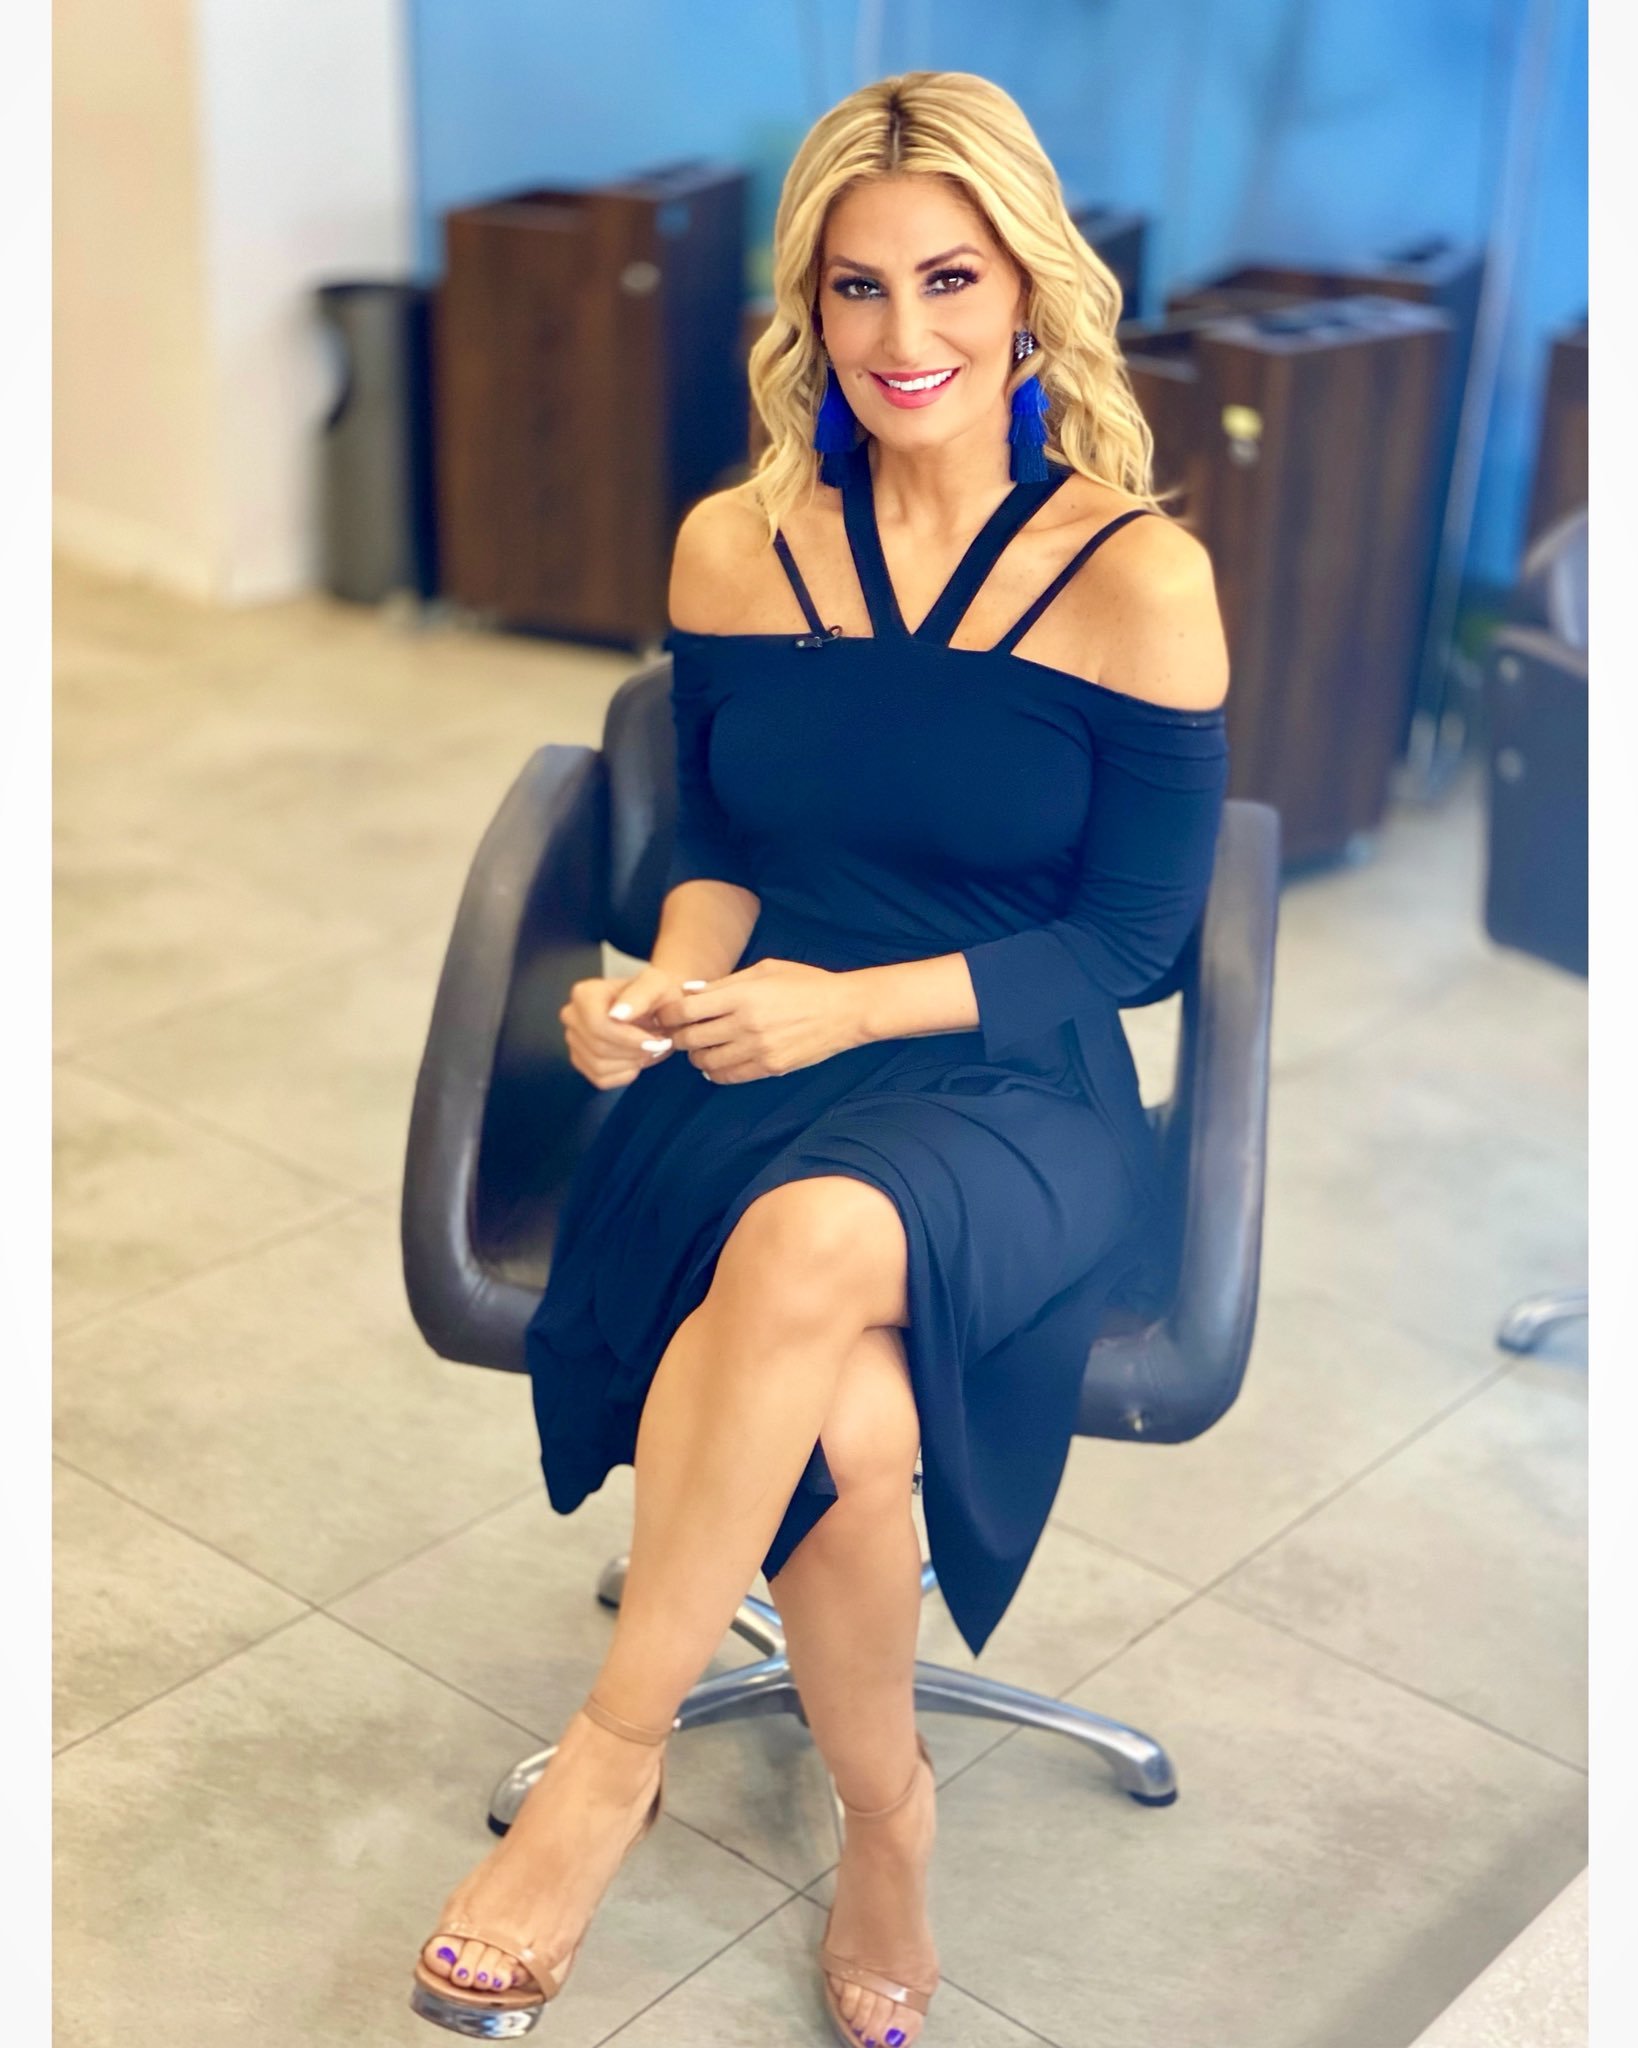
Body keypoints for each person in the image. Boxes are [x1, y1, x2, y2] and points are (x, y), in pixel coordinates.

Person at [411, 68, 1230, 2045]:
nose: (902, 334)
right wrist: (661, 991)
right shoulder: (738, 545)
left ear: (1028, 291)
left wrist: (845, 1005)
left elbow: (1125, 946)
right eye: (856, 288)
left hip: (1006, 1084)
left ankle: (609, 1762)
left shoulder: (1139, 580)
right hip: (756, 1063)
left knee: (805, 1251)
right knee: (852, 1432)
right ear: (807, 307)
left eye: (949, 279)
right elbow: (719, 847)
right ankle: (889, 1826)